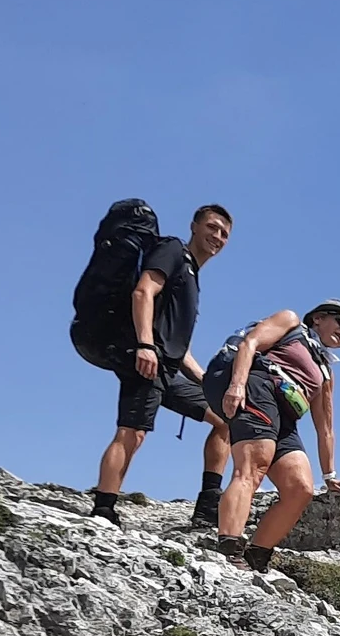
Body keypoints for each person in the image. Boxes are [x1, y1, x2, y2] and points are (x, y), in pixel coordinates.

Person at [72, 203, 232, 527]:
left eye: (224, 233)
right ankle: (104, 509)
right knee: (133, 431)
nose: (217, 236)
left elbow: (177, 343)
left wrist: (204, 380)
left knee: (226, 418)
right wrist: (145, 345)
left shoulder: (191, 275)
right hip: (144, 357)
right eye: (212, 227)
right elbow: (143, 292)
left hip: (166, 366)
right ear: (194, 226)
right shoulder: (172, 249)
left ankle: (207, 509)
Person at [204, 302, 340, 573]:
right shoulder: (291, 322)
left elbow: (325, 428)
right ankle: (229, 549)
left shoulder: (325, 371)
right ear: (318, 319)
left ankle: (256, 556)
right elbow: (250, 343)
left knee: (300, 488)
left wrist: (330, 475)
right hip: (259, 388)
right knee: (253, 468)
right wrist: (237, 385)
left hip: (286, 417)